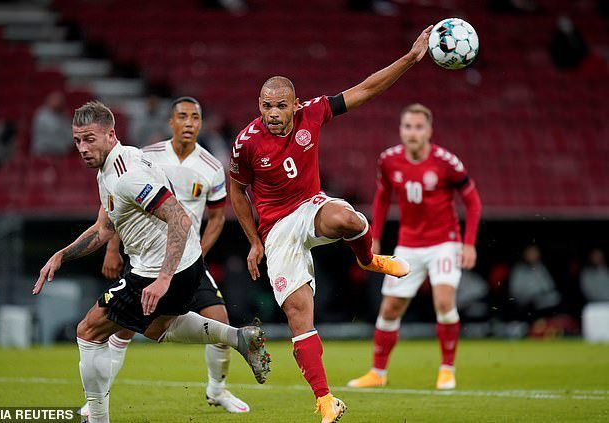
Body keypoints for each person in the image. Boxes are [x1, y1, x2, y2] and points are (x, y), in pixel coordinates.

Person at [229, 27, 432, 422]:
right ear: (259, 104)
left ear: (294, 104)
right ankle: (325, 400)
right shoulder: (246, 142)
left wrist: (410, 58)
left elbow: (367, 88)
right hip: (276, 231)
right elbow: (237, 192)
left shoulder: (315, 112)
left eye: (280, 106)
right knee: (299, 317)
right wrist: (254, 241)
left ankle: (369, 259)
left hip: (310, 207)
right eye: (266, 106)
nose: (272, 114)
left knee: (349, 219)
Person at [33, 101, 270, 423]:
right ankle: (237, 338)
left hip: (160, 268)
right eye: (77, 140)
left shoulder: (128, 176)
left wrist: (162, 279)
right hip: (178, 264)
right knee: (159, 327)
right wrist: (62, 254)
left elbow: (181, 219)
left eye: (89, 139)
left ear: (110, 134)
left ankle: (97, 417)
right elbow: (105, 228)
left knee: (88, 330)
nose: (82, 148)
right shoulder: (117, 163)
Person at [79, 96, 250, 417]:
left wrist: (197, 256)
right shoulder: (147, 156)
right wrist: (113, 248)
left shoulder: (213, 167)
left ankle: (217, 389)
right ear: (170, 122)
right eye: (182, 117)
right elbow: (118, 201)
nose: (188, 123)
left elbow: (215, 219)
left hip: (185, 259)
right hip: (147, 259)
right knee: (124, 328)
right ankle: (96, 400)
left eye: (195, 118)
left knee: (219, 320)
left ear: (200, 124)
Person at [347, 103, 483, 391]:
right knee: (390, 309)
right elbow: (382, 198)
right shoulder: (388, 160)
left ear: (429, 131)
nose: (412, 132)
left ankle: (447, 369)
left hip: (444, 243)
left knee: (444, 302)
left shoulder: (447, 162)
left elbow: (473, 201)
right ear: (401, 129)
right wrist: (376, 235)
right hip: (408, 245)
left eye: (419, 127)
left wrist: (468, 243)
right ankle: (377, 373)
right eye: (408, 126)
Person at [509, 245, 561, 320]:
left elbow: (549, 285)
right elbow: (514, 292)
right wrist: (531, 295)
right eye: (531, 253)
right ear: (525, 254)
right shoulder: (519, 270)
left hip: (543, 302)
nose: (534, 255)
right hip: (526, 304)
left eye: (535, 253)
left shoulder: (540, 267)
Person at [31, 91, 72, 155]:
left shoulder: (64, 115)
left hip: (61, 152)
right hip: (43, 152)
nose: (58, 102)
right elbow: (51, 135)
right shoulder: (41, 115)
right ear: (49, 101)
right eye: (55, 100)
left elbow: (70, 134)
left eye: (60, 101)